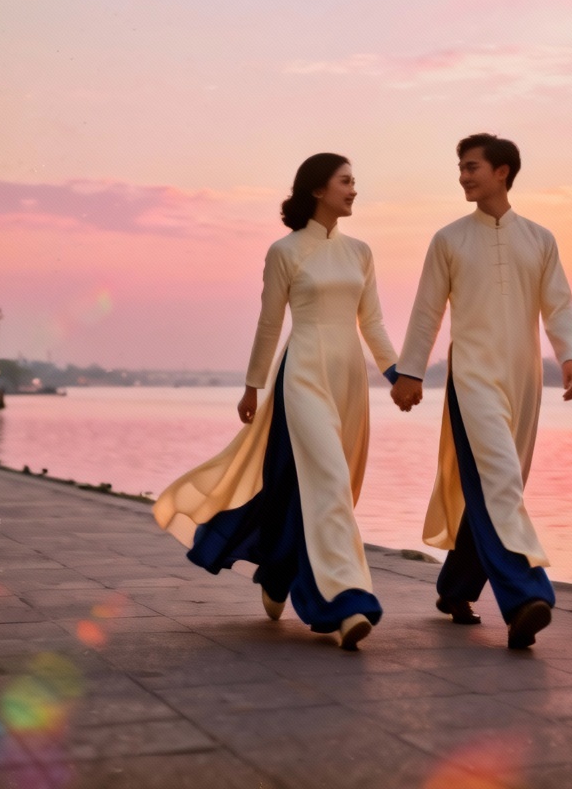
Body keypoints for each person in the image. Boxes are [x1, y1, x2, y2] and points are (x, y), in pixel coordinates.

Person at [155, 153, 399, 650]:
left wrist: (397, 374)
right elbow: (270, 322)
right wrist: (253, 385)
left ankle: (276, 572)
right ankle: (345, 603)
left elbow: (371, 321)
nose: (354, 190)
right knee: (327, 480)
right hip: (303, 372)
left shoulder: (361, 252)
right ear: (317, 189)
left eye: (354, 182)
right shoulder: (285, 251)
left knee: (318, 486)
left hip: (349, 378)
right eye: (346, 181)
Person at [391, 133, 572, 649]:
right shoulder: (449, 239)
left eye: (471, 166)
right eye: (460, 167)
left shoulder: (540, 239)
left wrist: (571, 356)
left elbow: (558, 305)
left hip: (523, 380)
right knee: (499, 479)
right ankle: (526, 598)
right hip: (471, 377)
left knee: (501, 484)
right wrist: (411, 371)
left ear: (502, 171)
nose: (463, 175)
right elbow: (427, 310)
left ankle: (455, 587)